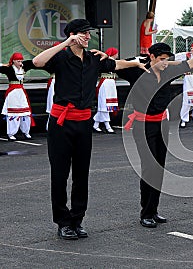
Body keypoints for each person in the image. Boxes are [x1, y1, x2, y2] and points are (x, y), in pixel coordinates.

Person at [32, 18, 148, 240]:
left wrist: (135, 63)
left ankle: (77, 219)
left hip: (83, 122)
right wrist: (65, 43)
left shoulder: (94, 58)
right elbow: (37, 61)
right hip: (61, 123)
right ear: (73, 35)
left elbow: (115, 64)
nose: (88, 37)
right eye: (83, 33)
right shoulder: (61, 57)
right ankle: (63, 222)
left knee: (81, 175)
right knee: (59, 175)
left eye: (88, 33)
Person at [121, 42, 193, 228]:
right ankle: (146, 212)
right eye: (161, 59)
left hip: (162, 124)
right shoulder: (137, 72)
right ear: (151, 57)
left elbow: (189, 64)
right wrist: (135, 63)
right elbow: (114, 64)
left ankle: (154, 210)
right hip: (143, 125)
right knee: (149, 167)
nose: (165, 63)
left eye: (167, 59)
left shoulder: (167, 71)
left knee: (159, 167)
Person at [1, 53, 37, 141]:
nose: (20, 63)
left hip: (21, 92)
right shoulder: (8, 68)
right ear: (13, 61)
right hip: (12, 93)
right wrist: (3, 64)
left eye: (21, 61)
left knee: (26, 113)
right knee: (13, 113)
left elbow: (34, 62)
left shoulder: (24, 67)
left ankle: (26, 132)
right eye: (18, 61)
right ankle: (11, 133)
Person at [93, 47, 119, 134]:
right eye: (116, 53)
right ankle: (107, 125)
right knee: (105, 104)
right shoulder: (105, 61)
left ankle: (96, 124)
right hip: (106, 84)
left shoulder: (112, 62)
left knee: (107, 104)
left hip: (110, 84)